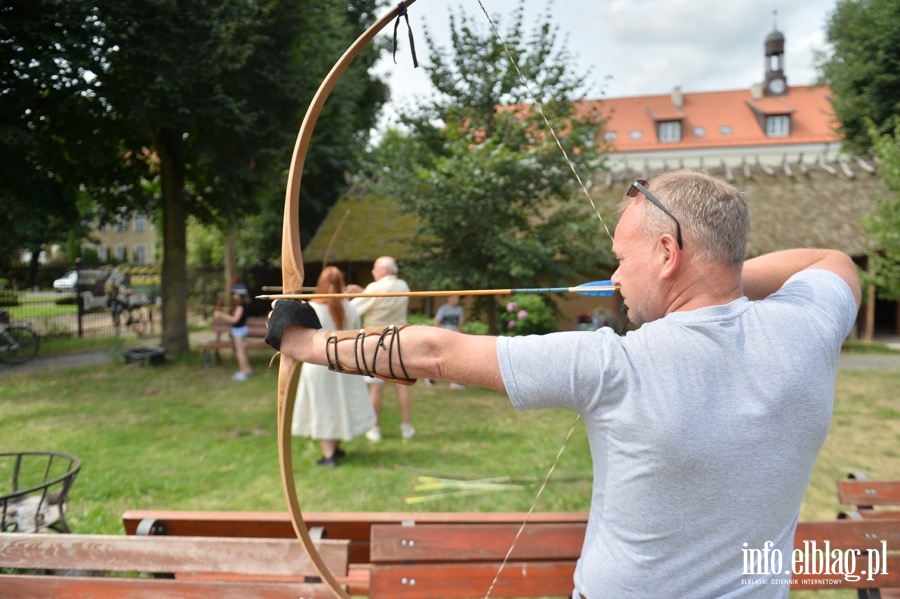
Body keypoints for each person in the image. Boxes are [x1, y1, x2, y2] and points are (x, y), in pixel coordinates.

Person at [267, 169, 861, 597]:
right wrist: (719, 278)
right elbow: (834, 261)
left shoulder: (616, 366)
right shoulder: (809, 329)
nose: (614, 274)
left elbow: (434, 353)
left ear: (665, 251)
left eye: (622, 259)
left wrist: (304, 343)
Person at [292, 267, 376, 467]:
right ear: (341, 284)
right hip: (343, 363)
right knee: (336, 404)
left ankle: (330, 454)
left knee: (326, 407)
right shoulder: (349, 307)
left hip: (320, 364)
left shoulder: (313, 307)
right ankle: (334, 449)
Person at [346, 256, 415, 441]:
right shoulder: (403, 286)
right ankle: (406, 427)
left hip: (377, 343)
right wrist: (363, 292)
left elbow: (352, 310)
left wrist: (351, 296)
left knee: (376, 388)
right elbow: (381, 300)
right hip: (399, 341)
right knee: (401, 386)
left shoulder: (375, 288)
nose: (373, 271)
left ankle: (374, 429)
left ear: (384, 270)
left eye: (375, 268)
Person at [213, 284, 253, 382]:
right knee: (242, 352)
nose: (233, 296)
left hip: (239, 331)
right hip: (241, 329)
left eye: (235, 294)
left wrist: (221, 315)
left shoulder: (240, 306)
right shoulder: (242, 305)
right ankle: (247, 370)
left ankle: (244, 372)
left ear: (240, 295)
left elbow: (235, 320)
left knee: (240, 353)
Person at [426, 295, 465, 389]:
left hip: (454, 337)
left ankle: (455, 381)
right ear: (449, 298)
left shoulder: (459, 310)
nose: (457, 299)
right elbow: (437, 323)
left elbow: (460, 324)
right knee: (440, 358)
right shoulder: (443, 309)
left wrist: (459, 335)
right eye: (455, 297)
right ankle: (430, 377)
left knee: (454, 359)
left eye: (458, 298)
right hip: (444, 337)